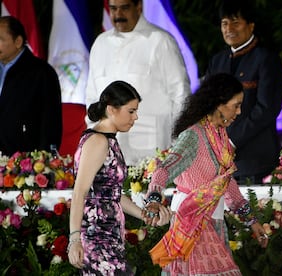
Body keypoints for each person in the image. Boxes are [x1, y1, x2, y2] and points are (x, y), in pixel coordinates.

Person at [145, 73, 268, 275]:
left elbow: (226, 184)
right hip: (191, 224)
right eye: (236, 105)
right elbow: (164, 169)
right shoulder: (193, 136)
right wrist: (154, 198)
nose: (239, 111)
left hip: (213, 223)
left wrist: (252, 221)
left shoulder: (220, 137)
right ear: (219, 103)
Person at [67, 80, 172, 274]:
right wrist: (74, 240)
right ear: (112, 109)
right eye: (131, 111)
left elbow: (111, 193)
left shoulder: (108, 141)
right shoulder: (98, 141)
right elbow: (79, 192)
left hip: (108, 237)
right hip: (97, 240)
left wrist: (145, 215)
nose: (136, 117)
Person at [86, 0, 191, 165]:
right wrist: (95, 138)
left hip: (152, 154)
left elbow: (181, 94)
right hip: (107, 154)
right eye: (113, 9)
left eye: (124, 8)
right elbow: (92, 97)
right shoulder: (100, 44)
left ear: (138, 7)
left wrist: (178, 144)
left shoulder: (160, 41)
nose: (118, 15)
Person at [205, 0, 282, 184]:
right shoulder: (217, 61)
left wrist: (232, 140)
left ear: (251, 25)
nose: (229, 28)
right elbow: (206, 105)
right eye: (224, 23)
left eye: (236, 22)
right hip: (218, 162)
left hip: (254, 159)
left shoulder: (266, 59)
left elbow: (266, 109)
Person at [0, 16, 62, 157]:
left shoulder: (42, 73)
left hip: (24, 166)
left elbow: (50, 125)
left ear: (18, 41)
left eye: (0, 39)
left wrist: (43, 162)